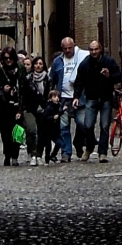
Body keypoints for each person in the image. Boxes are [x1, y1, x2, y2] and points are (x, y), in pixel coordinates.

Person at [74, 37, 122, 162]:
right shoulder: (85, 64)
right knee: (88, 125)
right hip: (91, 98)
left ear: (100, 49)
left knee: (105, 126)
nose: (94, 52)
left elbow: (118, 77)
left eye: (96, 49)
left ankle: (102, 152)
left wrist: (109, 76)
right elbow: (79, 81)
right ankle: (89, 147)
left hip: (106, 98)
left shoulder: (109, 62)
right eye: (91, 50)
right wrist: (76, 97)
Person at [49, 34, 82, 163]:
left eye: (70, 48)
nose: (68, 51)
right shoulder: (57, 62)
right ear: (62, 48)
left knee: (82, 123)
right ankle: (66, 152)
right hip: (62, 98)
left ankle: (78, 142)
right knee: (63, 126)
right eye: (65, 48)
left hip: (78, 97)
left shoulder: (80, 59)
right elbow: (52, 79)